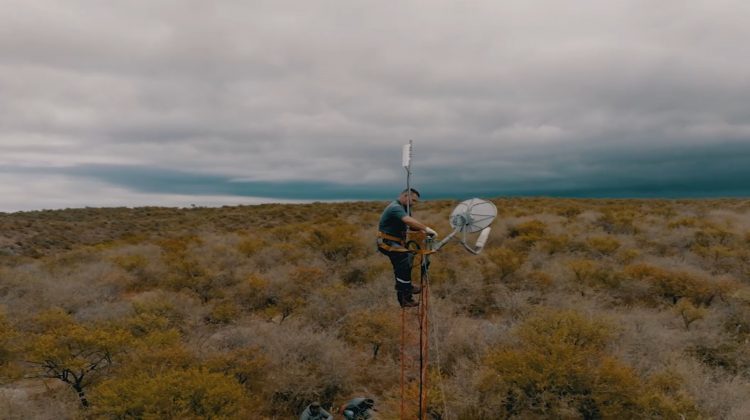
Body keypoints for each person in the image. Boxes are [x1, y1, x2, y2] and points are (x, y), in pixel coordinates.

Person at [377, 188, 437, 307]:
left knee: (404, 263)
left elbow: (410, 226)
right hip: (386, 242)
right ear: (405, 196)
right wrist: (426, 229)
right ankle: (406, 289)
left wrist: (423, 231)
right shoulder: (395, 207)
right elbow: (408, 221)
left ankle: (406, 298)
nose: (413, 203)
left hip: (396, 242)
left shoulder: (405, 209)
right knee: (405, 257)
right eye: (413, 200)